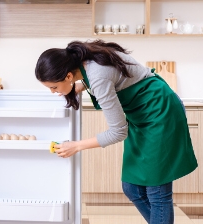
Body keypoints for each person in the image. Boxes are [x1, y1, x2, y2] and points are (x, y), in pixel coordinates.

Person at [34, 39, 198, 224]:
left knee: (157, 191)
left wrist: (77, 146)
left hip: (160, 114)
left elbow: (118, 131)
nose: (53, 92)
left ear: (69, 76)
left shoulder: (97, 76)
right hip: (142, 116)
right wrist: (83, 86)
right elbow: (114, 77)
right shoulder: (87, 62)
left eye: (53, 87)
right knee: (132, 188)